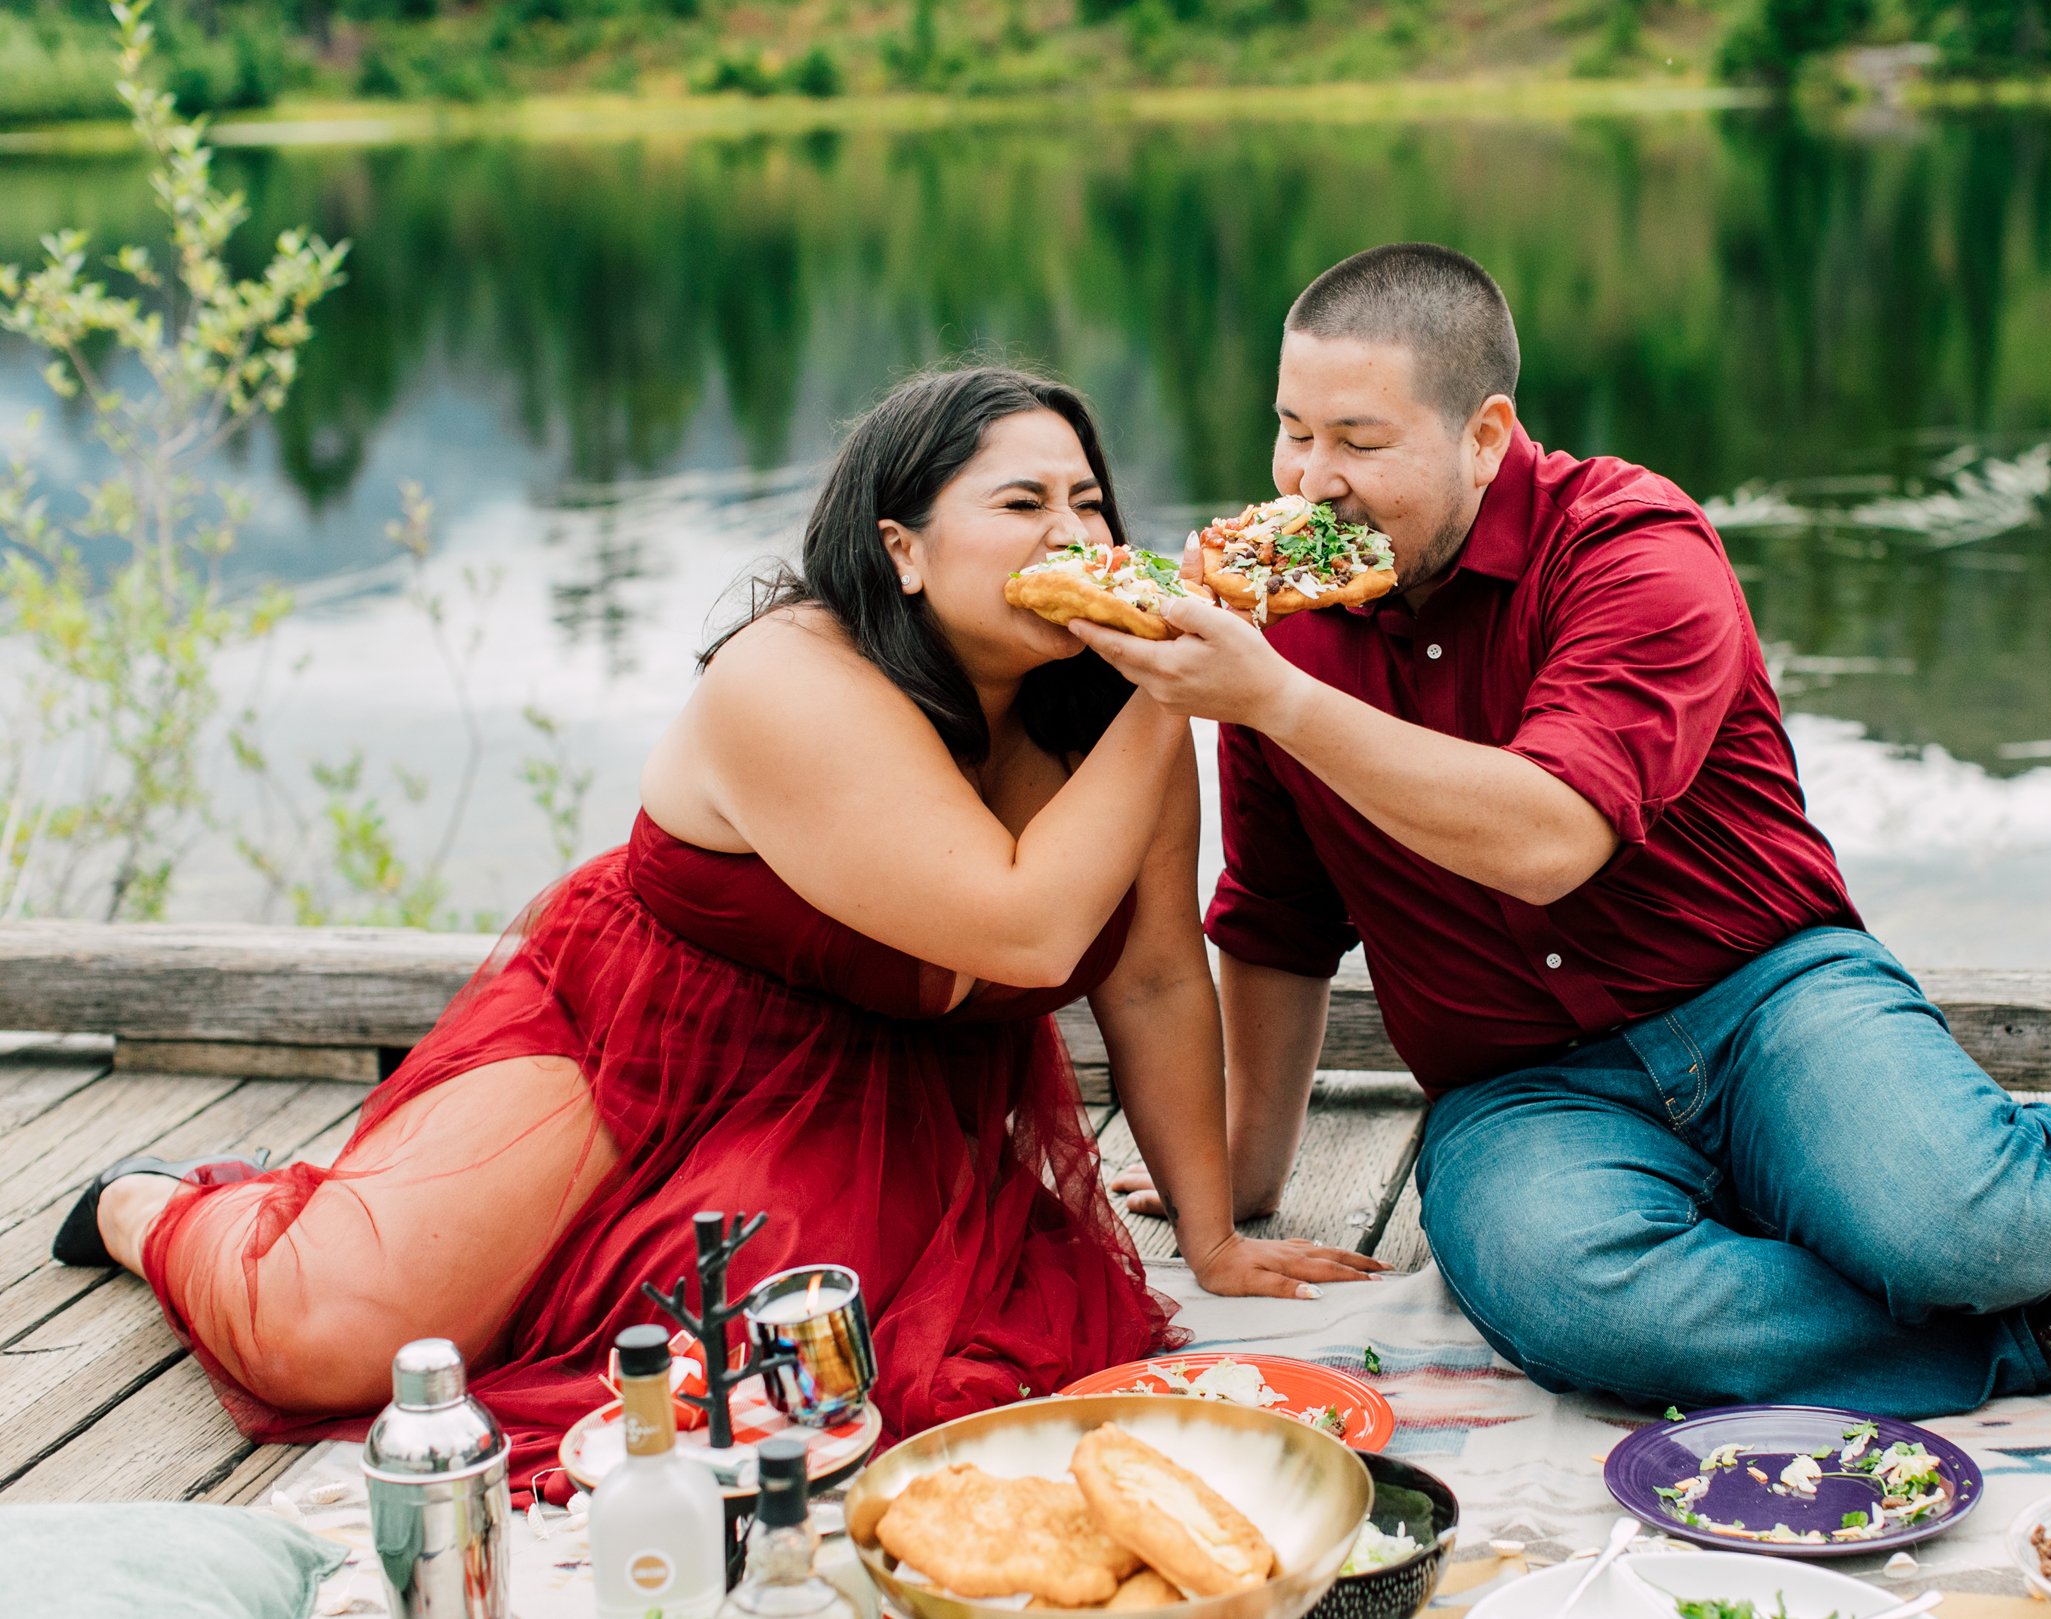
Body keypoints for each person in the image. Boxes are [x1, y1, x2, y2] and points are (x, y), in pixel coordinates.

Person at [1079, 244, 2051, 1432]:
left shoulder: (1632, 547)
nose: (1310, 482)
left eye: (1356, 441)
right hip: (1519, 1087)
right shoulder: (1277, 631)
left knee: (1943, 1216)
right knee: (1578, 1305)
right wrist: (1243, 1188)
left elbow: (1550, 837)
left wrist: (1274, 698)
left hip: (1765, 1003)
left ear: (1485, 436)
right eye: (1291, 433)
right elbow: (1278, 924)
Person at [50, 366, 1380, 1487]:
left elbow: (1149, 982)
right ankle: (154, 1204)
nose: (1074, 533)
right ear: (901, 548)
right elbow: (1026, 937)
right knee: (327, 1341)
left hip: (877, 1103)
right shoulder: (793, 678)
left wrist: (1210, 1240)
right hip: (644, 1040)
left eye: (1090, 502)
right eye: (1022, 502)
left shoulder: (1101, 708)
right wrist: (1179, 681)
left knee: (833, 1412)